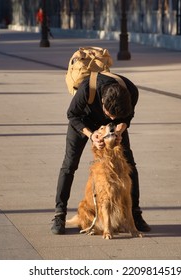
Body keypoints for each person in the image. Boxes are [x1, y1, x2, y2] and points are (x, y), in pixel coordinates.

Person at [51, 72, 151, 234]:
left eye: (115, 116)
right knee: (69, 165)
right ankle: (59, 215)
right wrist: (91, 135)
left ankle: (136, 214)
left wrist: (120, 128)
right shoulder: (86, 89)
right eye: (109, 114)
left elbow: (129, 115)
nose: (110, 118)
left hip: (115, 129)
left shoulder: (131, 90)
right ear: (103, 101)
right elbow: (72, 115)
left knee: (130, 164)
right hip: (83, 121)